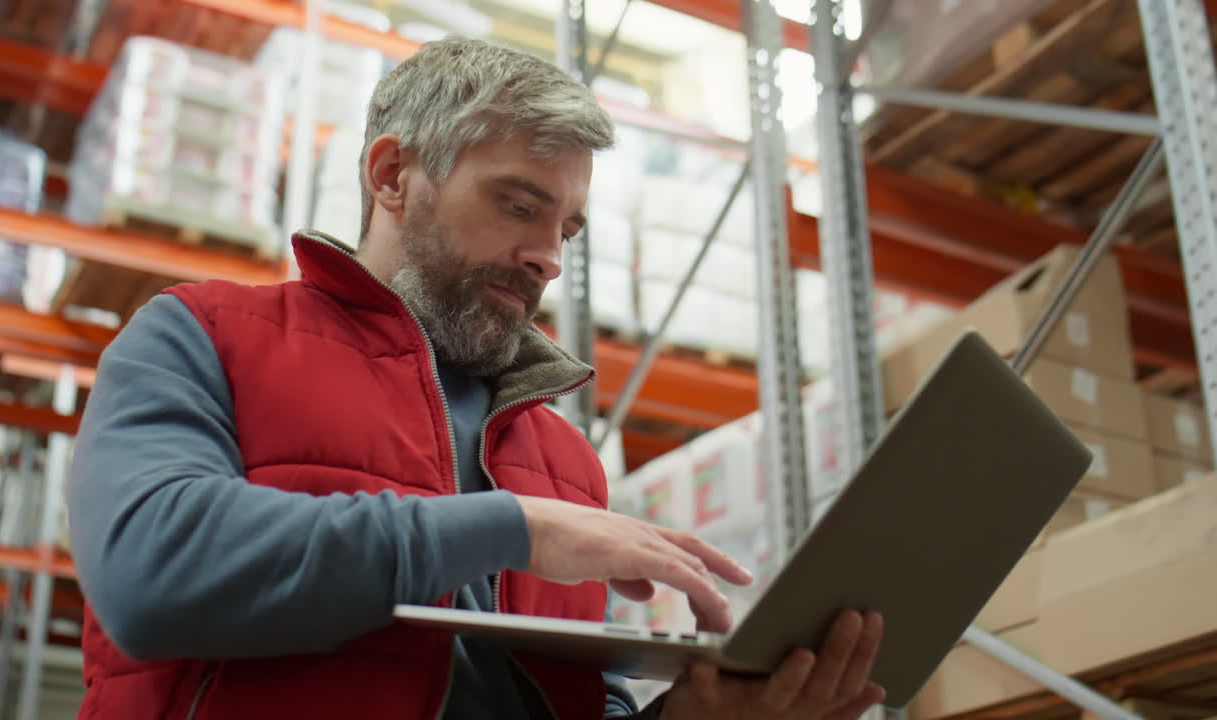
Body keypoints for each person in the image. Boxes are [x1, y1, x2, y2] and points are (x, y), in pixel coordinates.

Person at [66, 37, 885, 720]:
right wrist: (510, 527)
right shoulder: (203, 336)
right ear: (392, 175)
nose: (550, 258)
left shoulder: (567, 465)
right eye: (519, 206)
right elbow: (148, 573)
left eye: (568, 229)